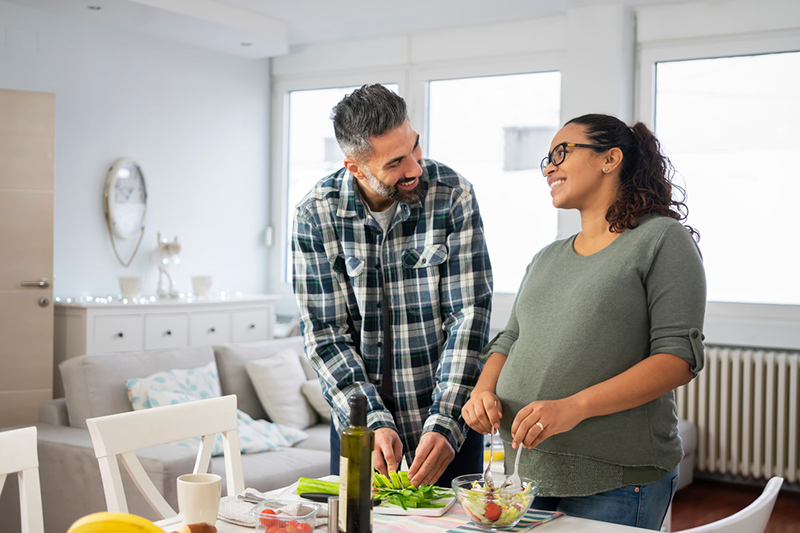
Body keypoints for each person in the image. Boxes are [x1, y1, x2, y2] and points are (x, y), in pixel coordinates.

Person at [462, 114, 706, 530]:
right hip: (525, 476)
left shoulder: (661, 240)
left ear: (610, 159)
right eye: (546, 159)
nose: (549, 167)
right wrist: (483, 391)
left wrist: (574, 408)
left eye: (562, 152)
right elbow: (510, 338)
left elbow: (676, 359)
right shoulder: (546, 257)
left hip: (613, 480)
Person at [292, 84, 493, 487]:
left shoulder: (453, 195)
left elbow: (468, 318)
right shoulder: (316, 215)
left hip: (448, 426)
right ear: (355, 167)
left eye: (415, 147)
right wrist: (370, 422)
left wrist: (445, 422)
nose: (415, 168)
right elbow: (326, 336)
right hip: (360, 427)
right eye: (396, 163)